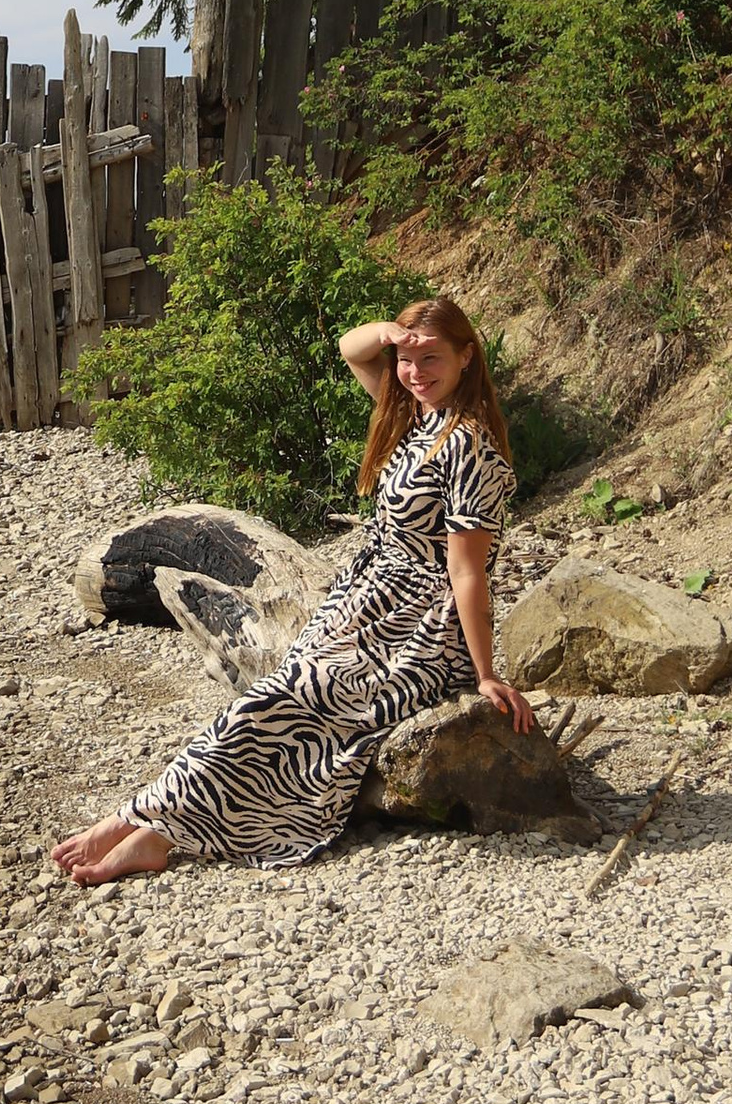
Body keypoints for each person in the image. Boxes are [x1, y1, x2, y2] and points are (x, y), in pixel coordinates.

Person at [51, 294, 533, 884]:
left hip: (421, 629)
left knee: (287, 703)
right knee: (278, 697)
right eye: (408, 360)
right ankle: (148, 823)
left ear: (466, 357)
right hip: (369, 602)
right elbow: (351, 348)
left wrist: (486, 674)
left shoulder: (469, 447)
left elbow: (467, 573)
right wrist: (392, 332)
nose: (415, 371)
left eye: (432, 357)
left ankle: (144, 826)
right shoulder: (414, 414)